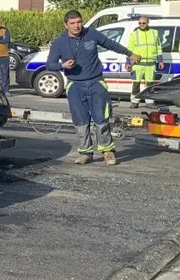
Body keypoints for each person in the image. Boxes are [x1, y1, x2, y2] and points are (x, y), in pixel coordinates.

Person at [46, 9, 141, 166]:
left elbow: (111, 44)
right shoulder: (59, 42)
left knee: (101, 119)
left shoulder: (91, 34)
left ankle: (107, 151)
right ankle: (85, 153)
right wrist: (62, 65)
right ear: (65, 25)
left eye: (79, 22)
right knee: (81, 121)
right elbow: (50, 64)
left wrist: (130, 54)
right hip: (75, 86)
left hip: (96, 83)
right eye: (72, 23)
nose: (77, 26)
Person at [126, 16, 163, 107]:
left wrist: (160, 60)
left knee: (149, 84)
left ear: (148, 22)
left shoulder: (154, 33)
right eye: (140, 23)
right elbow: (129, 49)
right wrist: (127, 62)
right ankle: (135, 102)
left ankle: (149, 102)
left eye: (143, 23)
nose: (141, 25)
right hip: (138, 63)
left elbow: (158, 48)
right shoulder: (134, 34)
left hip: (150, 63)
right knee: (136, 83)